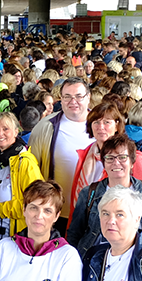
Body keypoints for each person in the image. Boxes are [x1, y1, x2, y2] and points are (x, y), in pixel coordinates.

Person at [69, 133, 142, 256]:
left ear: (132, 162)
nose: (116, 163)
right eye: (110, 158)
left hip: (141, 260)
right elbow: (75, 233)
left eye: (122, 157)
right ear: (103, 163)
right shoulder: (89, 193)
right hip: (96, 261)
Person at [0, 111, 45, 265]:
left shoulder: (25, 163)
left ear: (16, 131)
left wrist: (0, 208)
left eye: (5, 129)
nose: (0, 133)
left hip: (14, 239)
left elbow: (36, 204)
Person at [29, 77, 95, 224]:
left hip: (93, 214)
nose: (73, 101)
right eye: (67, 97)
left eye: (79, 96)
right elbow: (32, 170)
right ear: (61, 99)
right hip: (55, 213)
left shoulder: (103, 126)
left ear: (88, 97)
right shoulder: (44, 127)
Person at [70, 101, 128, 213]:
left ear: (117, 126)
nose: (101, 127)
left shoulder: (128, 157)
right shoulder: (85, 154)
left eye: (107, 122)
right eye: (96, 122)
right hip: (85, 217)